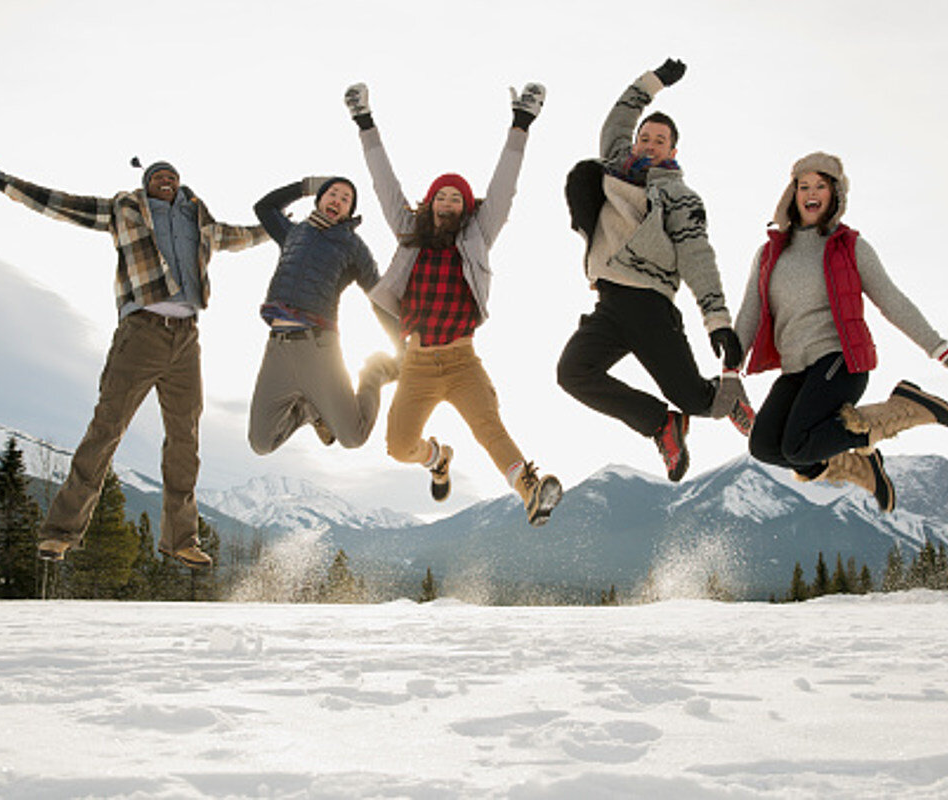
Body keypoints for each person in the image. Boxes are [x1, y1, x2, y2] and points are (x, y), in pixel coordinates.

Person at [0, 143, 268, 567]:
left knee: (185, 441)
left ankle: (181, 539)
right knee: (106, 429)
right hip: (140, 334)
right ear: (145, 185)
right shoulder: (123, 211)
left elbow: (247, 235)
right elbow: (60, 204)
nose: (165, 179)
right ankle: (60, 533)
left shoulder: (201, 222)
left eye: (171, 175)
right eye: (156, 176)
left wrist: (286, 230)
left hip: (187, 340)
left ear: (180, 184)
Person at [342, 81, 563, 526]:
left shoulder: (478, 236)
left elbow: (504, 187)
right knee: (399, 446)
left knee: (490, 429)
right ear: (430, 203)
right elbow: (384, 183)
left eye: (456, 198)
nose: (447, 202)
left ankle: (530, 493)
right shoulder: (409, 230)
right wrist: (364, 121)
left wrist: (521, 123)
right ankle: (438, 458)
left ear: (465, 208)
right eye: (441, 196)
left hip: (463, 361)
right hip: (417, 365)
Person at [733, 152, 948, 512]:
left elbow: (893, 301)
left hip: (841, 361)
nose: (811, 193)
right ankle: (858, 465)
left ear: (835, 193)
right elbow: (750, 313)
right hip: (796, 370)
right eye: (803, 186)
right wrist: (729, 374)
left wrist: (943, 352)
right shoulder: (770, 253)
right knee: (764, 446)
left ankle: (906, 409)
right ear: (792, 193)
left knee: (797, 445)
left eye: (821, 186)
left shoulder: (849, 246)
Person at [557, 57, 753, 484]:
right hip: (609, 303)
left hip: (650, 305)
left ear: (672, 151)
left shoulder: (679, 196)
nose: (648, 144)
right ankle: (662, 424)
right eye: (644, 137)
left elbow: (698, 255)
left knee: (691, 397)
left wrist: (717, 321)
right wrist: (654, 82)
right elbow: (618, 118)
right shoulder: (614, 168)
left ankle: (728, 399)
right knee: (573, 373)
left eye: (659, 140)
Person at [248, 175, 398, 455]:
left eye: (345, 199)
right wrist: (305, 186)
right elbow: (264, 208)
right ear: (319, 199)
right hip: (278, 348)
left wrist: (400, 344)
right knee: (261, 443)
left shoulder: (353, 246)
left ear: (349, 212)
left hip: (318, 346)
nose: (337, 201)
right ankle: (307, 410)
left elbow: (377, 296)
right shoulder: (294, 232)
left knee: (353, 437)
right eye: (332, 193)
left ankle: (374, 373)